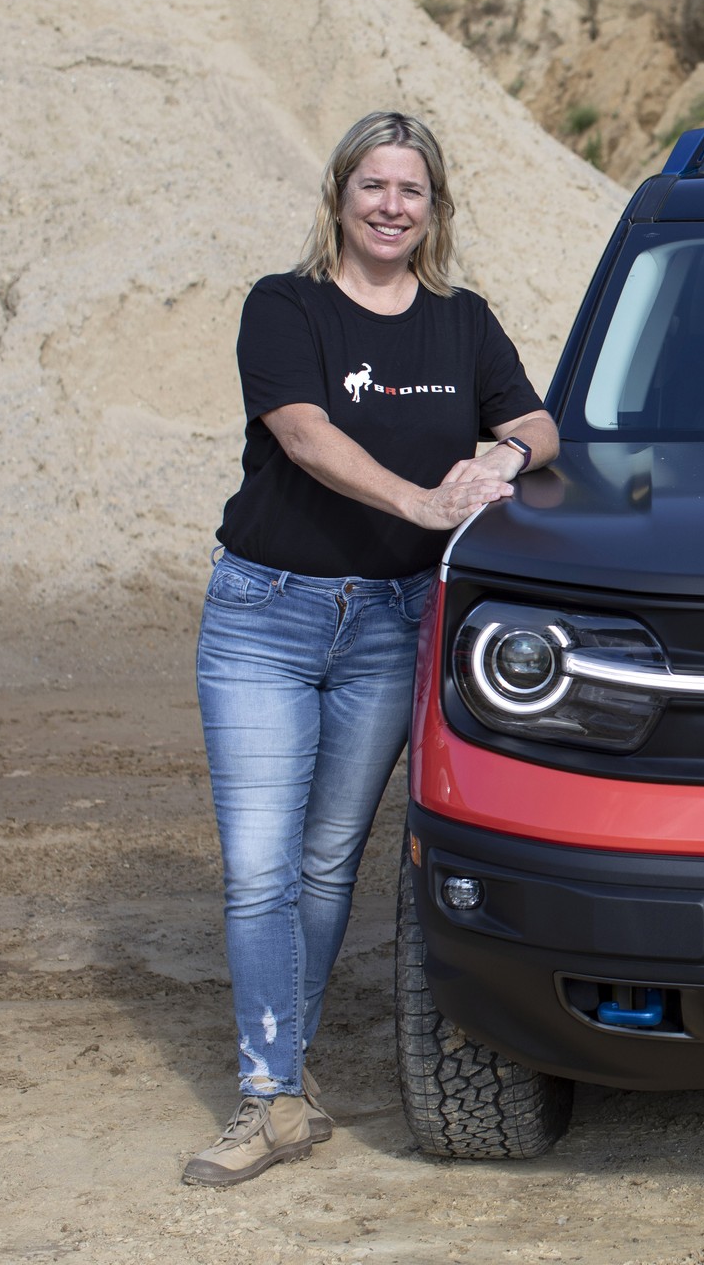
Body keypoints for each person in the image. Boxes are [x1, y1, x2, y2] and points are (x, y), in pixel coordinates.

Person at [183, 110, 558, 1186]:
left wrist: (496, 453)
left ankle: (283, 1080)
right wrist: (425, 500)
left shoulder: (461, 320)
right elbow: (303, 434)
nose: (392, 206)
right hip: (264, 615)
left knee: (327, 857)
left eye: (413, 190)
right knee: (258, 866)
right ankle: (268, 1093)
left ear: (434, 208)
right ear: (340, 196)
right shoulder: (284, 305)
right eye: (373, 186)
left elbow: (542, 426)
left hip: (394, 622)